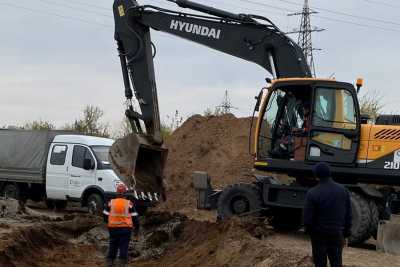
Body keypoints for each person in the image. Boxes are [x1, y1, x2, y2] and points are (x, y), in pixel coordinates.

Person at [303, 162, 352, 267]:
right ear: (330, 173)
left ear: (316, 176)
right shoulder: (343, 190)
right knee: (336, 263)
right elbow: (348, 215)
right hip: (337, 234)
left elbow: (307, 219)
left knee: (320, 263)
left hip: (319, 235)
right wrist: (346, 234)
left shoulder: (312, 193)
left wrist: (310, 232)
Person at [103, 184, 140, 267]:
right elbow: (134, 217)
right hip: (125, 229)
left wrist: (108, 222)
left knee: (113, 244)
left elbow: (105, 214)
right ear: (125, 193)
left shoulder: (111, 202)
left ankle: (110, 261)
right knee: (124, 245)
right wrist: (137, 227)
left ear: (116, 193)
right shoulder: (129, 203)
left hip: (112, 228)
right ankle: (122, 262)